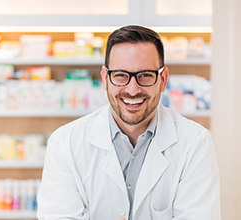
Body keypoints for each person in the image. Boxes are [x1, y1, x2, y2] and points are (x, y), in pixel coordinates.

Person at [37, 25, 220, 220]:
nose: (133, 90)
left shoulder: (194, 142)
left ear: (163, 79)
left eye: (145, 75)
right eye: (121, 75)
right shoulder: (65, 143)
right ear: (105, 79)